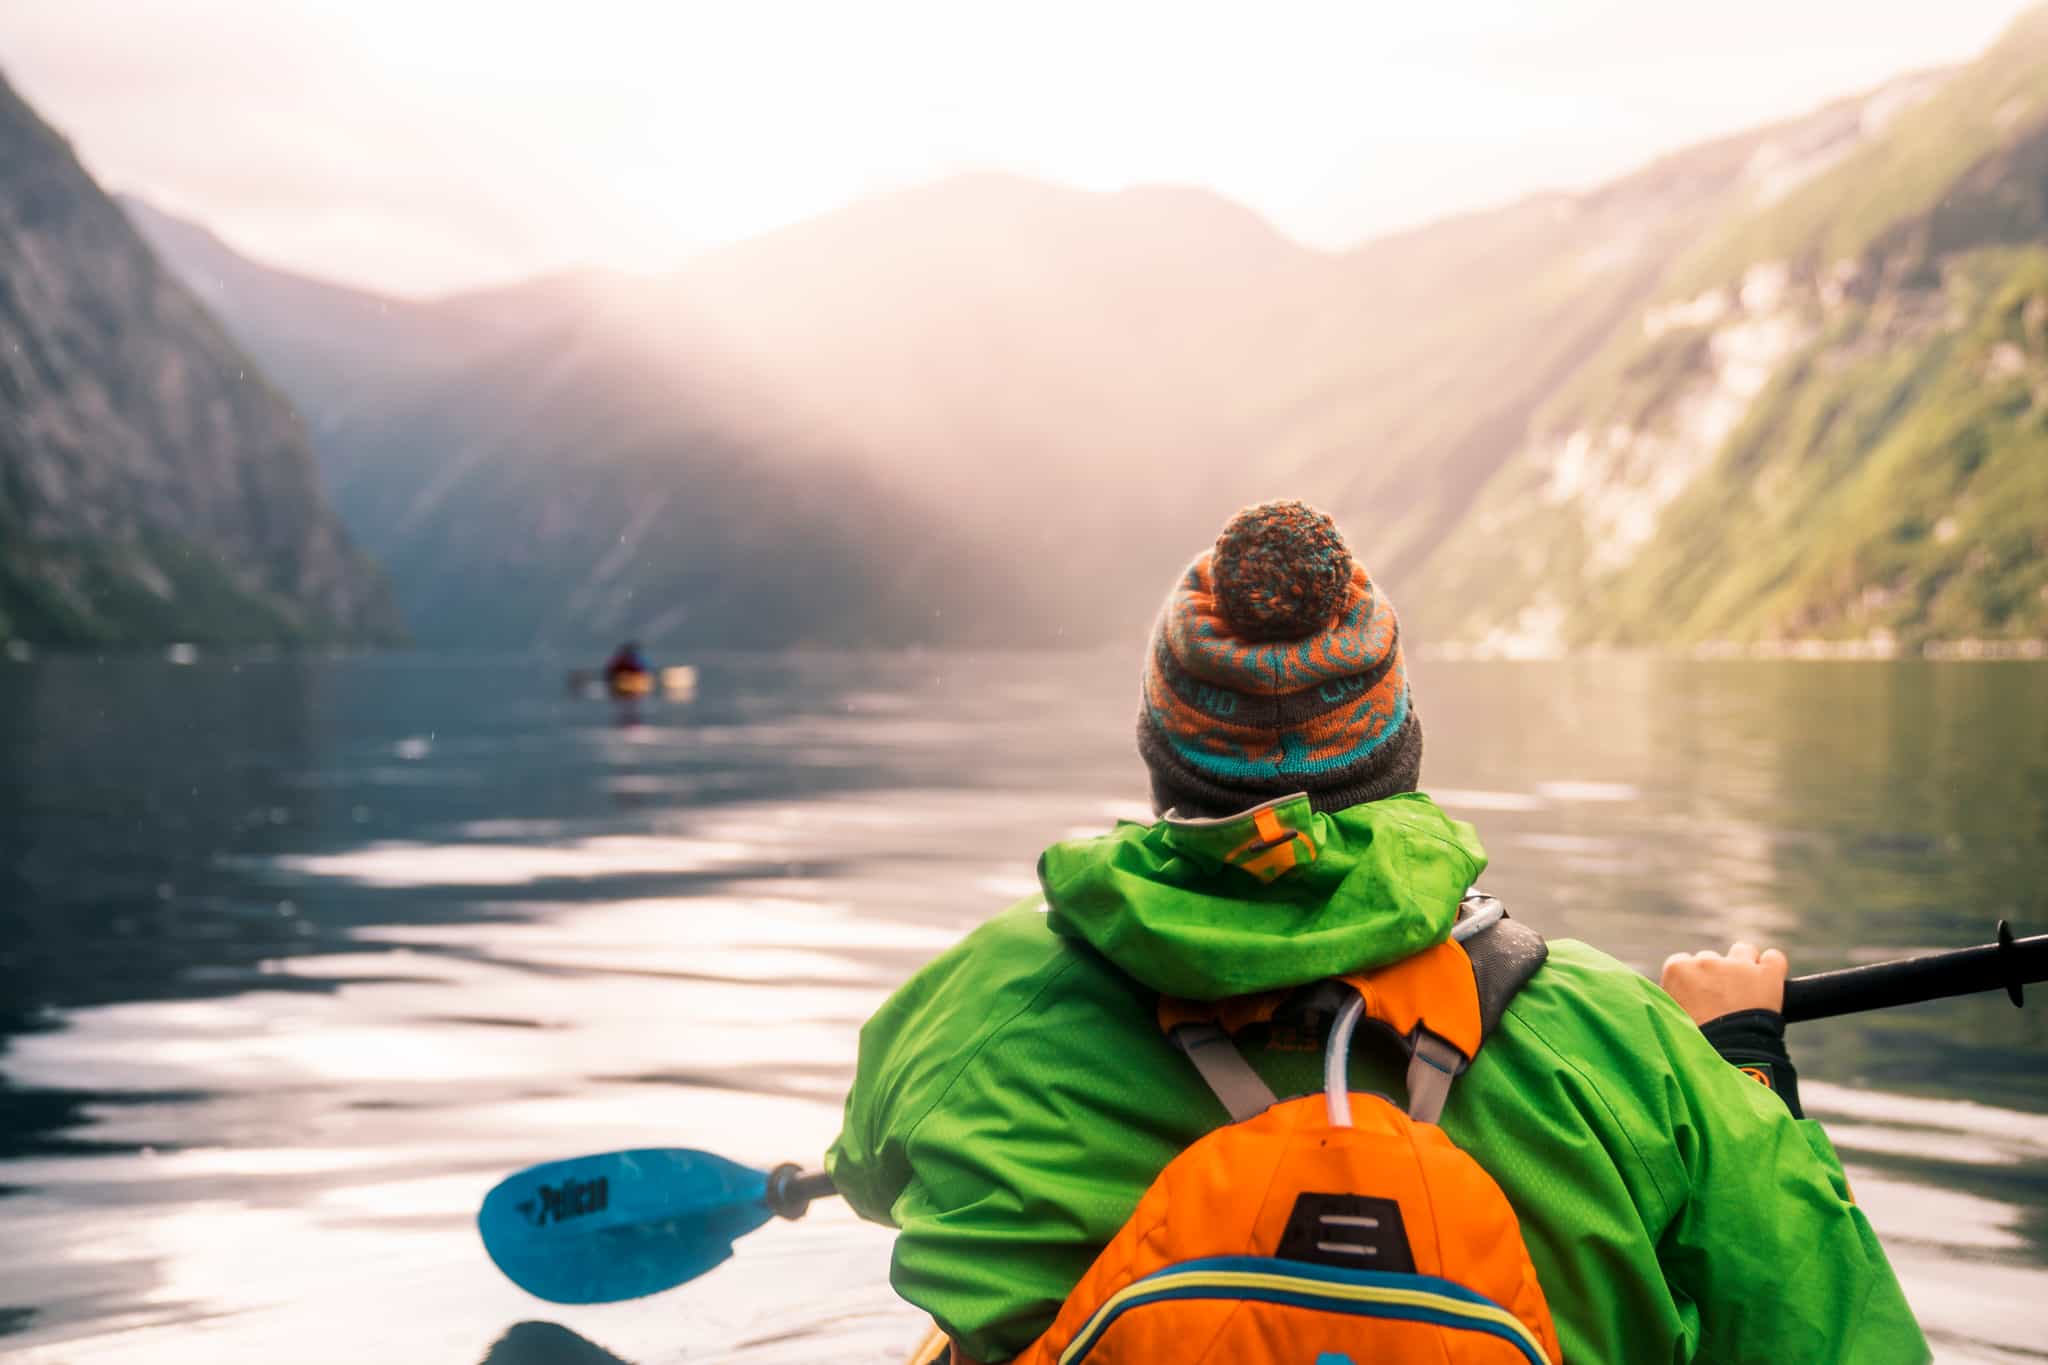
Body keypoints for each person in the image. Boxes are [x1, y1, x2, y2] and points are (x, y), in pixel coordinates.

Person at [826, 501, 1927, 1364]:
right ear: (1399, 748)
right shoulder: (1616, 1042)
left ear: (1160, 755)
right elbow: (1823, 1333)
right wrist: (1735, 1068)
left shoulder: (976, 1004)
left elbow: (871, 1176)